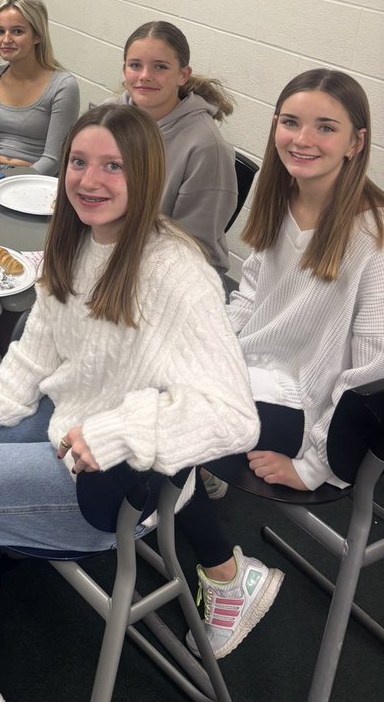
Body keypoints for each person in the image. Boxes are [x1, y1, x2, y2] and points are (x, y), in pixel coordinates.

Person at [0, 104, 258, 702]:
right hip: (63, 418)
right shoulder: (78, 238)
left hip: (111, 480)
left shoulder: (178, 272)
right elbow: (32, 359)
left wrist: (117, 432)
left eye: (113, 166)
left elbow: (233, 414)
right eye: (79, 162)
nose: (89, 179)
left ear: (147, 176)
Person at [181, 68, 384, 659]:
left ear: (356, 141)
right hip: (255, 374)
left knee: (159, 428)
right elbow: (249, 299)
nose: (303, 139)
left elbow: (372, 372)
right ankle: (189, 484)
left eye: (326, 127)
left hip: (310, 409)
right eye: (292, 123)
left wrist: (316, 463)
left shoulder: (371, 234)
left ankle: (228, 578)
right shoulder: (282, 198)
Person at [119, 20, 236, 273]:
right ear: (124, 69)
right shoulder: (110, 118)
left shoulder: (206, 147)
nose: (144, 76)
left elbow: (193, 247)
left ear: (183, 75)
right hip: (114, 249)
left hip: (176, 272)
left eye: (160, 67)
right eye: (135, 65)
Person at [0, 0, 79, 176]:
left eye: (17, 32)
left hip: (33, 178)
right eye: (0, 31)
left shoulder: (63, 86)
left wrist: (8, 182)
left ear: (37, 36)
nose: (6, 40)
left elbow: (54, 160)